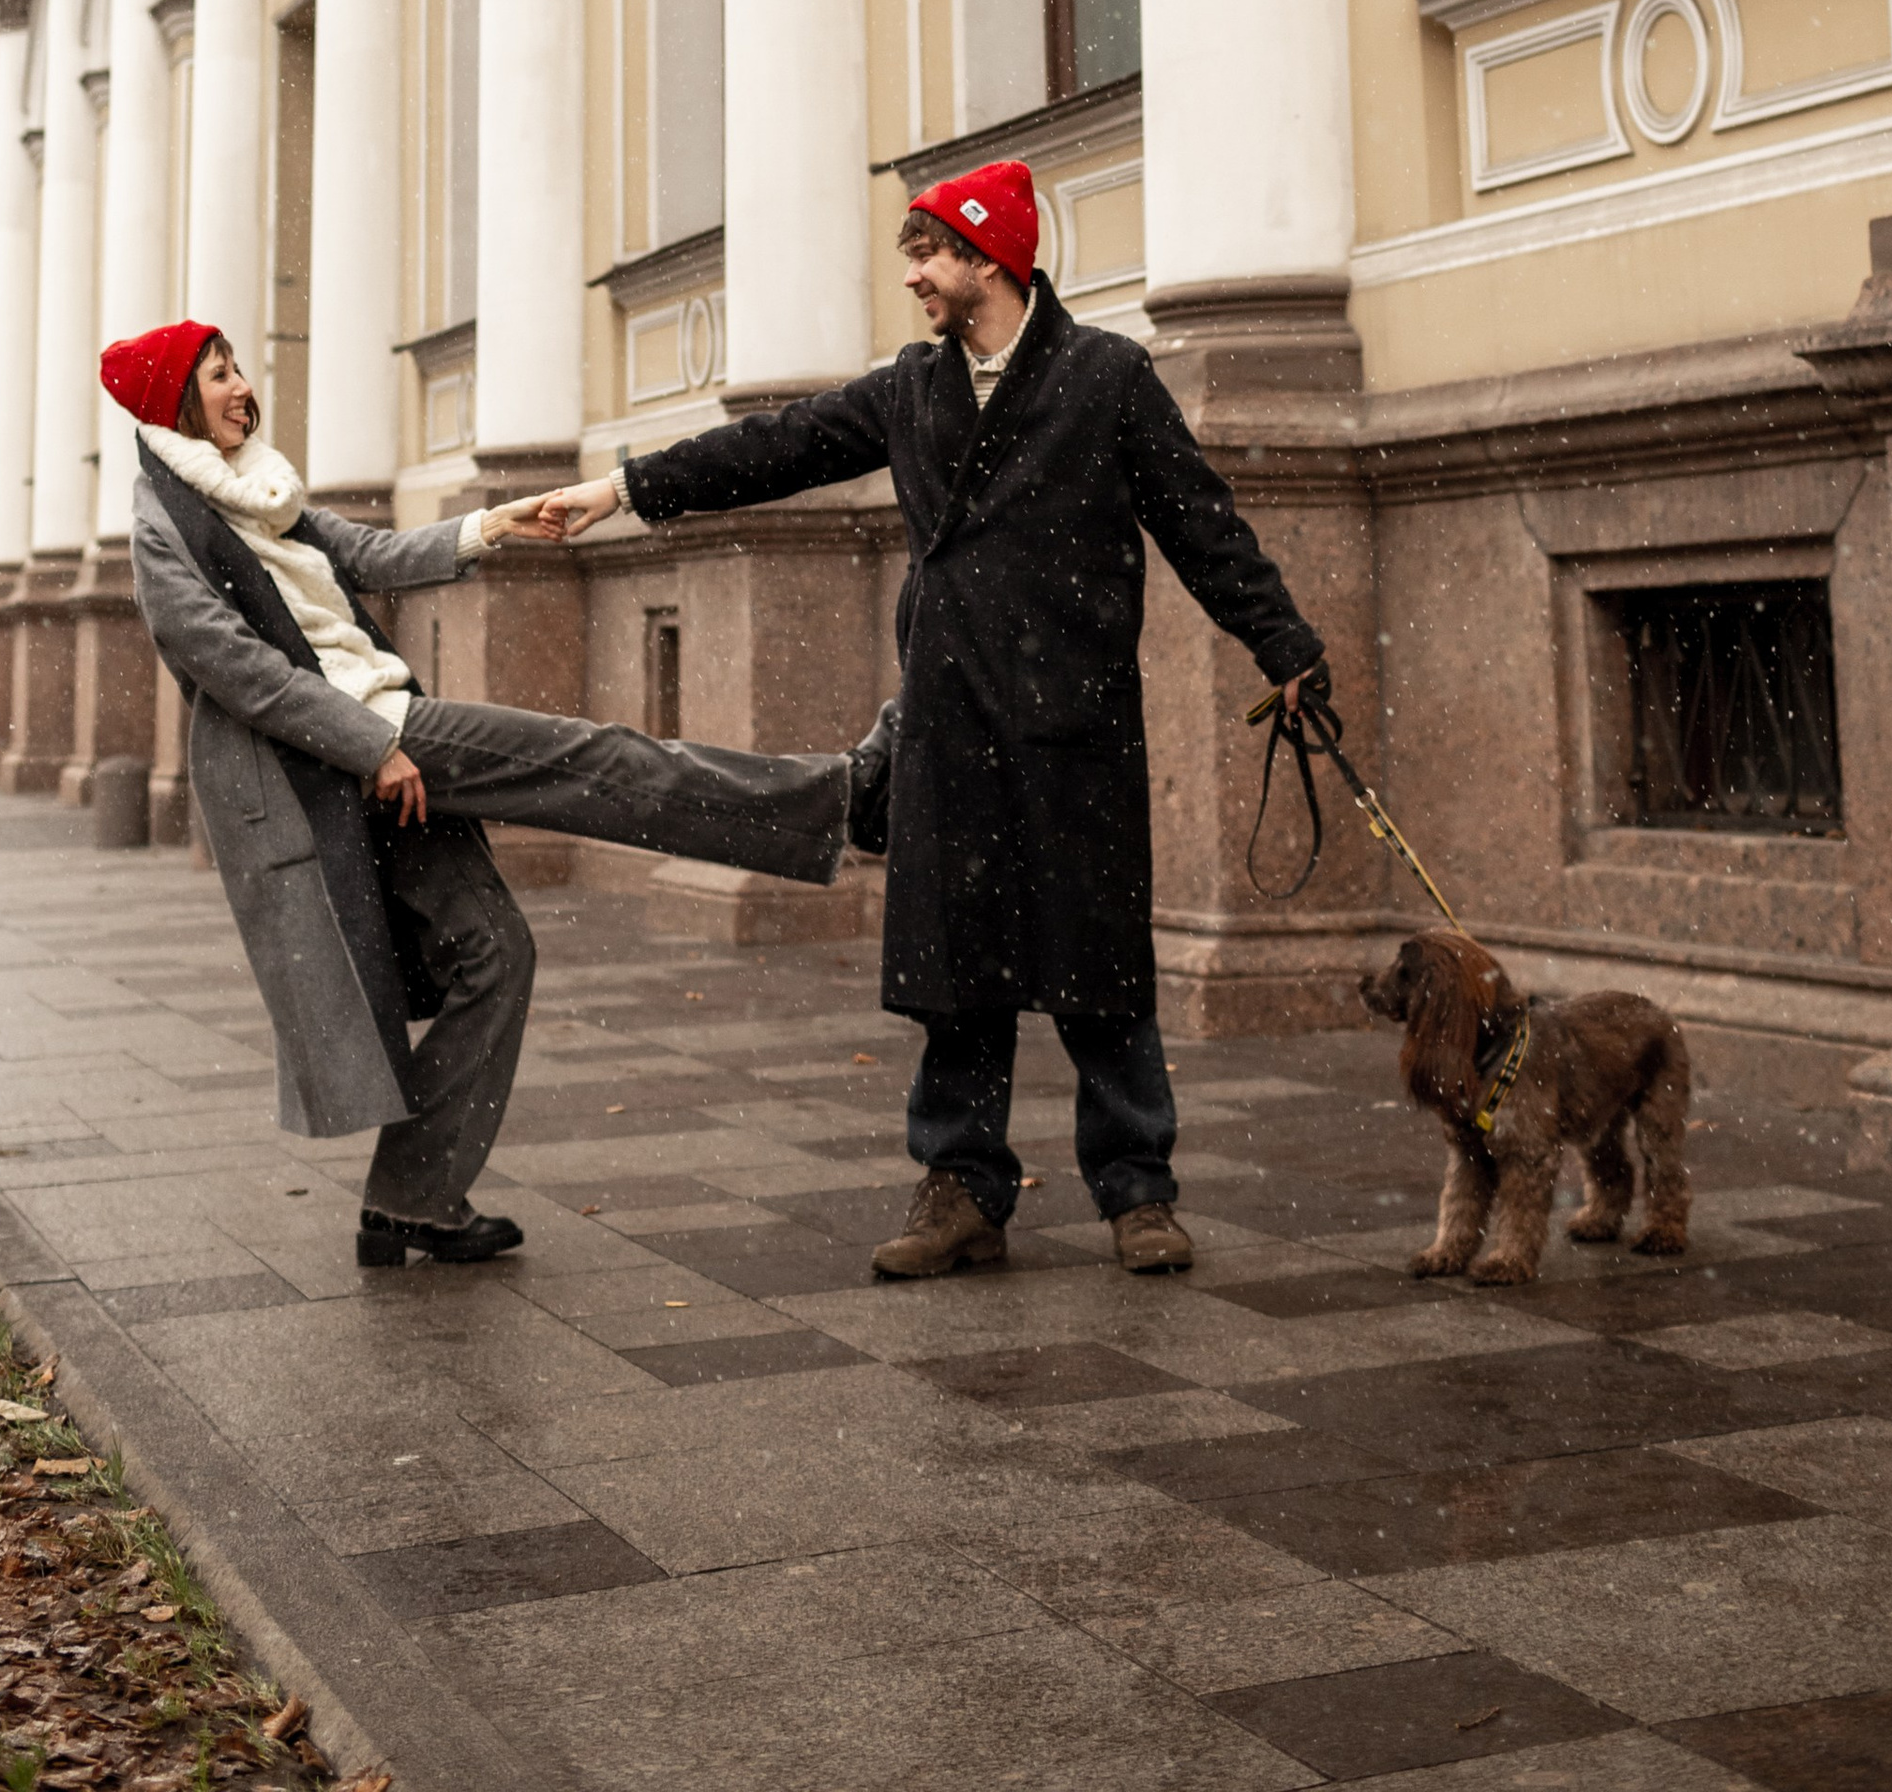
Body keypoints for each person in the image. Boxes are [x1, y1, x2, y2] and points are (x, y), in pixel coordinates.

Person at [520, 160, 1325, 1281]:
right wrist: (626, 487)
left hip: (1073, 719)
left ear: (989, 258)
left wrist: (1282, 645)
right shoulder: (912, 387)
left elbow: (1202, 524)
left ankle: (1138, 1191)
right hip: (948, 719)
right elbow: (778, 446)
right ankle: (961, 1190)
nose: (912, 278)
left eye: (927, 254)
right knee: (958, 967)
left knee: (1100, 965)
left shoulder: (1107, 377)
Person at [109, 318, 890, 1269]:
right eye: (218, 376)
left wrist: (492, 526)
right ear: (174, 403)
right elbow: (232, 669)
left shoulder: (253, 491)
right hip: (357, 745)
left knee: (496, 951)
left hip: (372, 732)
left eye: (236, 369)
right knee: (590, 759)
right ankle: (841, 799)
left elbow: (364, 556)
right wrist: (368, 747)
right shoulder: (165, 526)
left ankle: (412, 1198)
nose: (241, 388)